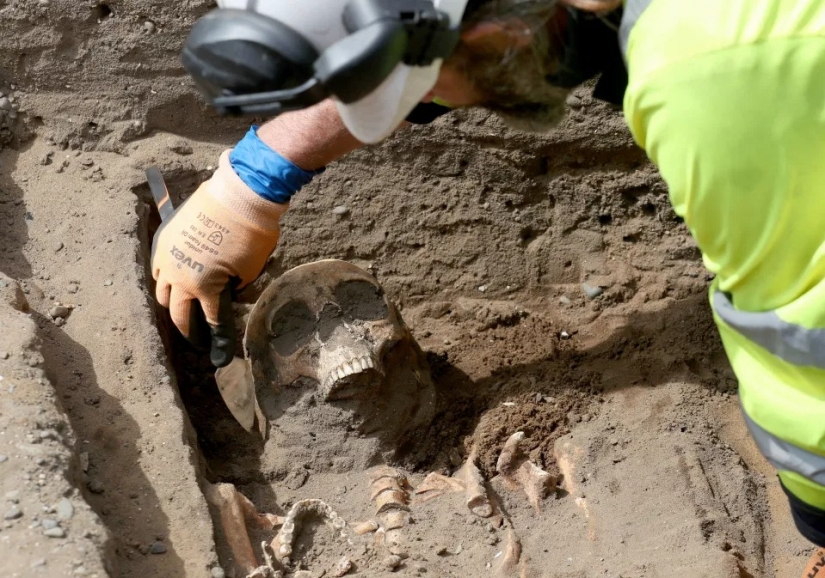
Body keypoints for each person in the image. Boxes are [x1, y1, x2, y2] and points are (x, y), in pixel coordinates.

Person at [151, 0, 825, 572]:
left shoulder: (714, 69)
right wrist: (252, 180)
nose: (437, 106)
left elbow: (805, 347)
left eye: (431, 88)